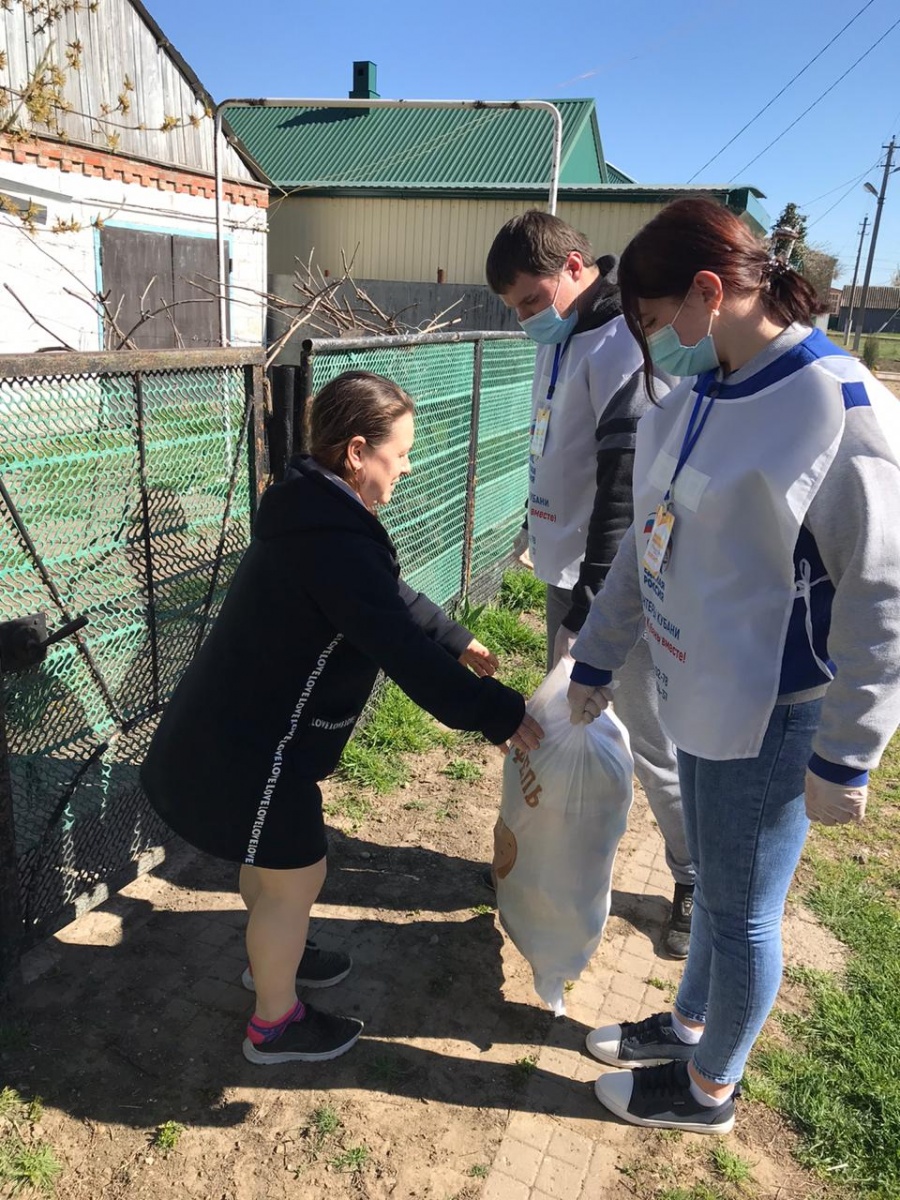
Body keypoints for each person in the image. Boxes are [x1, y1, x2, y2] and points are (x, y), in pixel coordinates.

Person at [567, 196, 900, 1135]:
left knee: (747, 909)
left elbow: (883, 594)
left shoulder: (841, 411)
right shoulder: (706, 390)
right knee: (714, 883)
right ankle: (688, 1025)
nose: (653, 343)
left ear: (710, 292)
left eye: (657, 317)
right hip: (699, 689)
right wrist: (597, 660)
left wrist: (849, 751)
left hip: (774, 706)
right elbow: (647, 543)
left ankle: (710, 1087)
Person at [140, 371, 543, 1066]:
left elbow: (386, 597)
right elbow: (398, 650)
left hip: (243, 732)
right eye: (402, 452)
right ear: (357, 451)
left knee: (275, 869)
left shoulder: (315, 512)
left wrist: (453, 636)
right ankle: (275, 1023)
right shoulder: (333, 537)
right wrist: (499, 714)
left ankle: (276, 961)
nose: (409, 466)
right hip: (254, 746)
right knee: (295, 876)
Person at [485, 210, 695, 957]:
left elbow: (623, 493)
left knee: (644, 739)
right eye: (515, 308)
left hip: (612, 587)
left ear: (576, 266)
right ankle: (558, 860)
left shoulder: (620, 345)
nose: (526, 319)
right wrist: (535, 537)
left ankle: (690, 876)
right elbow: (558, 449)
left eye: (532, 299)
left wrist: (590, 613)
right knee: (567, 729)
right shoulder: (567, 338)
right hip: (567, 575)